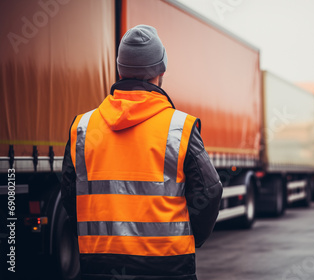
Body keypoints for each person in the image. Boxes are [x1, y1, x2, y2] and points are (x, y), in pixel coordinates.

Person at [60, 25, 222, 280]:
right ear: (160, 71)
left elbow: (70, 193)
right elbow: (209, 191)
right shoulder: (179, 128)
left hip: (98, 267)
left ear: (120, 70)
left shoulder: (83, 128)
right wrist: (191, 236)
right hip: (168, 267)